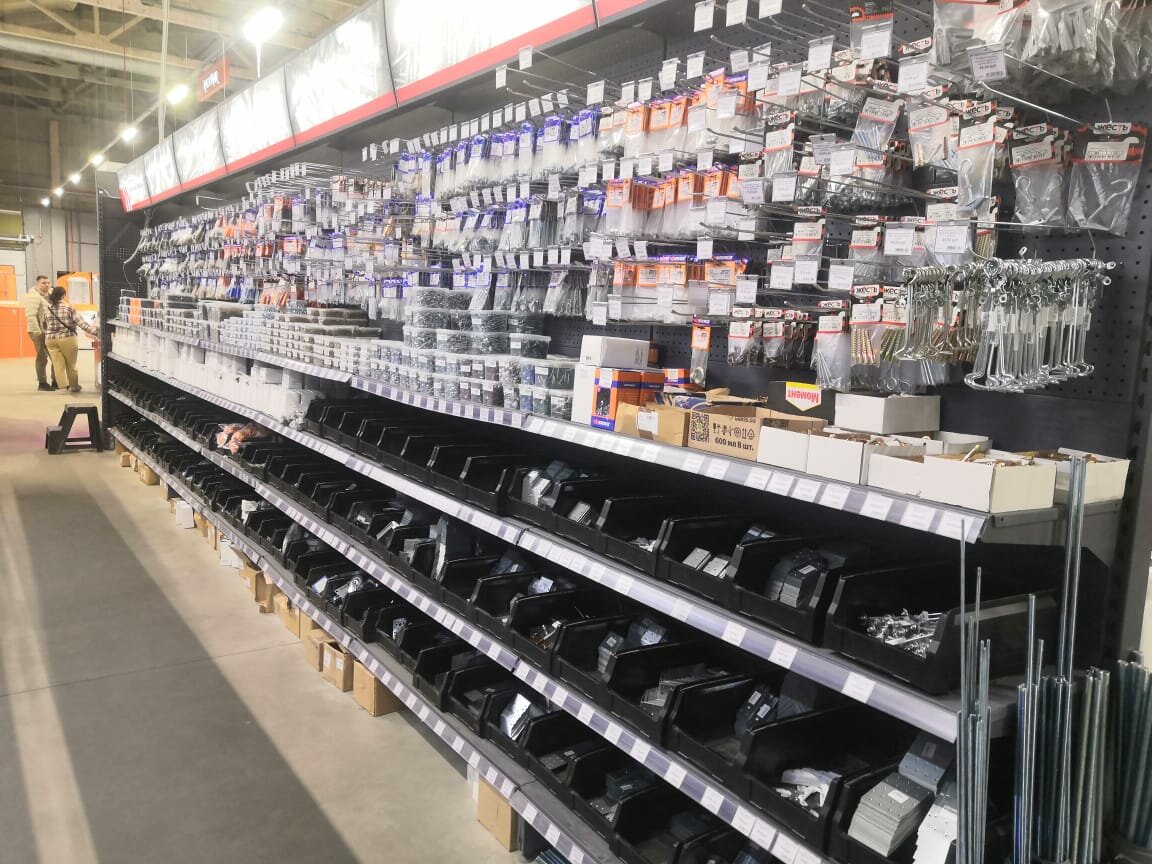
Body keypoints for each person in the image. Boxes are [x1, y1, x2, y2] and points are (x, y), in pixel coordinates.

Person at [39, 285, 100, 394]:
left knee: (57, 364)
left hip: (51, 340)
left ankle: (62, 388)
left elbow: (44, 326)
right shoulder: (69, 308)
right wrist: (95, 332)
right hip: (68, 338)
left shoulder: (47, 309)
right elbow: (81, 323)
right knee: (71, 364)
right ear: (63, 296)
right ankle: (74, 386)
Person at [22, 275, 54, 391]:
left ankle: (56, 381)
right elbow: (30, 316)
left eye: (48, 282)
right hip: (37, 331)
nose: (46, 285)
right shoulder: (33, 296)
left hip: (49, 331)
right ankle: (42, 383)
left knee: (55, 356)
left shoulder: (50, 294)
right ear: (37, 284)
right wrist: (38, 332)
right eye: (43, 283)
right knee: (42, 356)